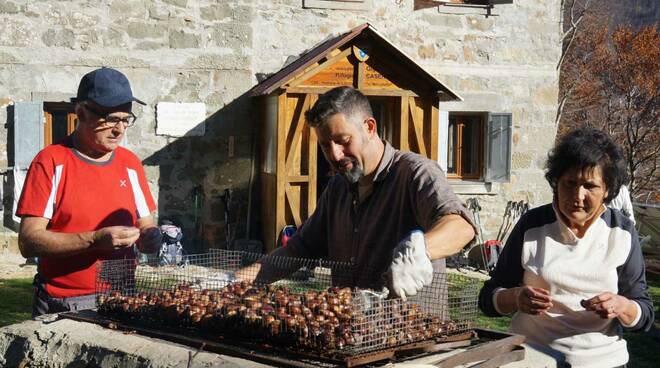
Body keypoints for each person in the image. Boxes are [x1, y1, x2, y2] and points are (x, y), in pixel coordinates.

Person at [254, 86, 476, 300]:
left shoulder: (415, 173)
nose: (335, 155)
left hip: (412, 331)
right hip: (351, 331)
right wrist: (234, 279)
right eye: (325, 146)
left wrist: (421, 250)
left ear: (370, 127)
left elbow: (461, 227)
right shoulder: (337, 188)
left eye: (343, 141)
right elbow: (297, 250)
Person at [478, 127, 654, 368]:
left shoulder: (622, 232)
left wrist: (621, 306)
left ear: (607, 190)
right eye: (569, 183)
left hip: (602, 362)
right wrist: (515, 297)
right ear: (556, 182)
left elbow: (644, 313)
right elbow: (488, 299)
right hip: (531, 359)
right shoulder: (532, 225)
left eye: (589, 186)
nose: (577, 196)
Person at [17, 67, 162, 316]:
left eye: (126, 119)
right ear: (81, 112)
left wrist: (151, 238)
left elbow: (146, 224)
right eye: (110, 119)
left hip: (123, 296)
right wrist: (94, 240)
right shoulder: (51, 161)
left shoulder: (130, 163)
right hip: (64, 302)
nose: (120, 130)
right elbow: (28, 242)